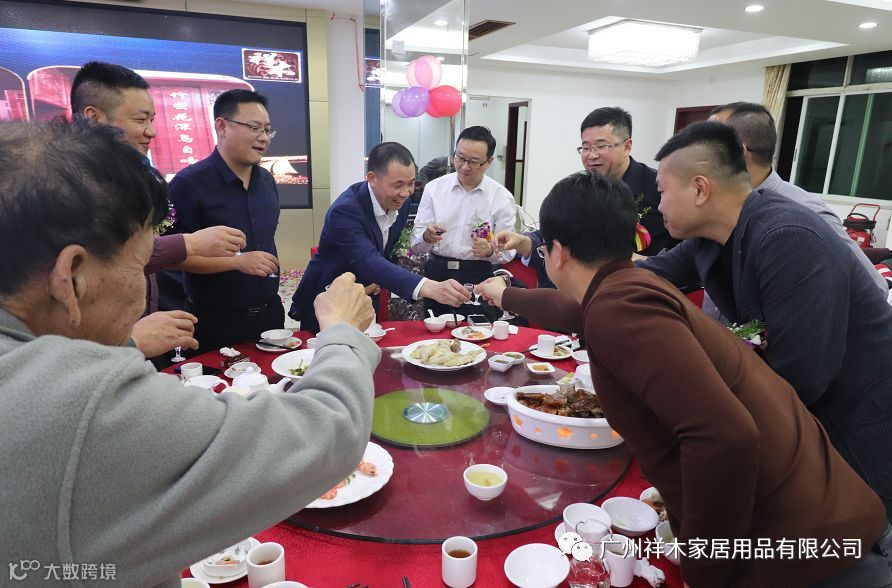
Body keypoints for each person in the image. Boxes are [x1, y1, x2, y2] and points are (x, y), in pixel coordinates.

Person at [0, 119, 379, 587]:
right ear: (72, 277)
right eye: (142, 264)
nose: (145, 290)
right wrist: (340, 330)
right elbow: (325, 436)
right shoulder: (79, 405)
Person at [477, 171, 890, 587]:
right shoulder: (624, 286)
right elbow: (575, 310)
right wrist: (505, 295)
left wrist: (703, 569)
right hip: (822, 523)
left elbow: (725, 437)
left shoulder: (619, 309)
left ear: (559, 253)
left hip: (806, 552)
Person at [70, 61, 248, 358]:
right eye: (141, 120)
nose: (151, 131)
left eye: (152, 119)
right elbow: (105, 261)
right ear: (94, 117)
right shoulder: (67, 187)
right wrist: (188, 243)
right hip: (102, 352)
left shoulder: (128, 177)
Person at [290, 142, 469, 333]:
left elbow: (387, 252)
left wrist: (377, 282)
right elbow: (368, 259)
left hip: (366, 298)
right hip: (329, 302)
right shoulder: (345, 210)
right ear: (372, 178)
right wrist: (432, 288)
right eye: (398, 185)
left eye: (411, 184)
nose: (405, 193)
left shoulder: (401, 204)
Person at [710, 101, 887, 293]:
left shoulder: (807, 213)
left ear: (739, 152)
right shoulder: (714, 205)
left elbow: (875, 287)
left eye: (706, 145)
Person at [495, 106, 678, 287]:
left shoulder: (660, 187)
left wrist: (632, 261)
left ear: (627, 146)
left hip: (639, 289)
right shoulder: (582, 187)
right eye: (585, 147)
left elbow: (683, 257)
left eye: (601, 146)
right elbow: (557, 232)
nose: (592, 155)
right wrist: (523, 241)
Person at [169, 89, 284, 352]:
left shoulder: (267, 181)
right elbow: (175, 257)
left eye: (267, 130)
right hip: (216, 322)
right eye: (254, 128)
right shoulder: (188, 184)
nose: (263, 137)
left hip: (269, 315)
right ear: (221, 126)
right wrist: (237, 262)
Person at [411, 126, 517, 321]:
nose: (464, 167)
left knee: (479, 333)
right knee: (435, 331)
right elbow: (416, 243)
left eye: (473, 162)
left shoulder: (501, 198)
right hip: (438, 274)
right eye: (460, 158)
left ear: (488, 162)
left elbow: (509, 251)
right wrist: (426, 237)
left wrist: (490, 251)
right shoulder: (434, 189)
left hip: (479, 277)